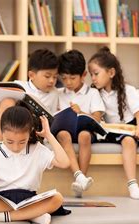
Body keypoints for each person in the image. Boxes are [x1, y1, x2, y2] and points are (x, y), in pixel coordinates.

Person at [0, 105, 71, 224]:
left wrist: (49, 135)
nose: (15, 147)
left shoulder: (37, 150)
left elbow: (64, 162)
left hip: (30, 201)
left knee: (57, 198)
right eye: (10, 141)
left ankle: (4, 217)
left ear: (30, 134)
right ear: (2, 133)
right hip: (3, 201)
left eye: (22, 142)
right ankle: (33, 216)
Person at [88, 47, 139, 200]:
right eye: (91, 75)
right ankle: (132, 185)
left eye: (96, 74)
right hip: (116, 130)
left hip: (136, 125)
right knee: (128, 141)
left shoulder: (128, 90)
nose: (93, 78)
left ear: (111, 73)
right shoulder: (95, 93)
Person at [53, 49, 105, 197]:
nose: (68, 82)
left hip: (85, 131)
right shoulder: (59, 94)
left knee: (84, 136)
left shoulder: (92, 93)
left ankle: (81, 181)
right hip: (65, 131)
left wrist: (80, 112)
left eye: (72, 78)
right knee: (63, 134)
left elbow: (96, 117)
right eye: (64, 78)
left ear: (83, 75)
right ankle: (79, 177)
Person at [0, 49, 59, 148]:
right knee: (7, 101)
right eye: (47, 76)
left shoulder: (55, 93)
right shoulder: (18, 86)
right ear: (31, 75)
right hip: (8, 127)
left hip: (33, 132)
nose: (52, 80)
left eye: (55, 77)